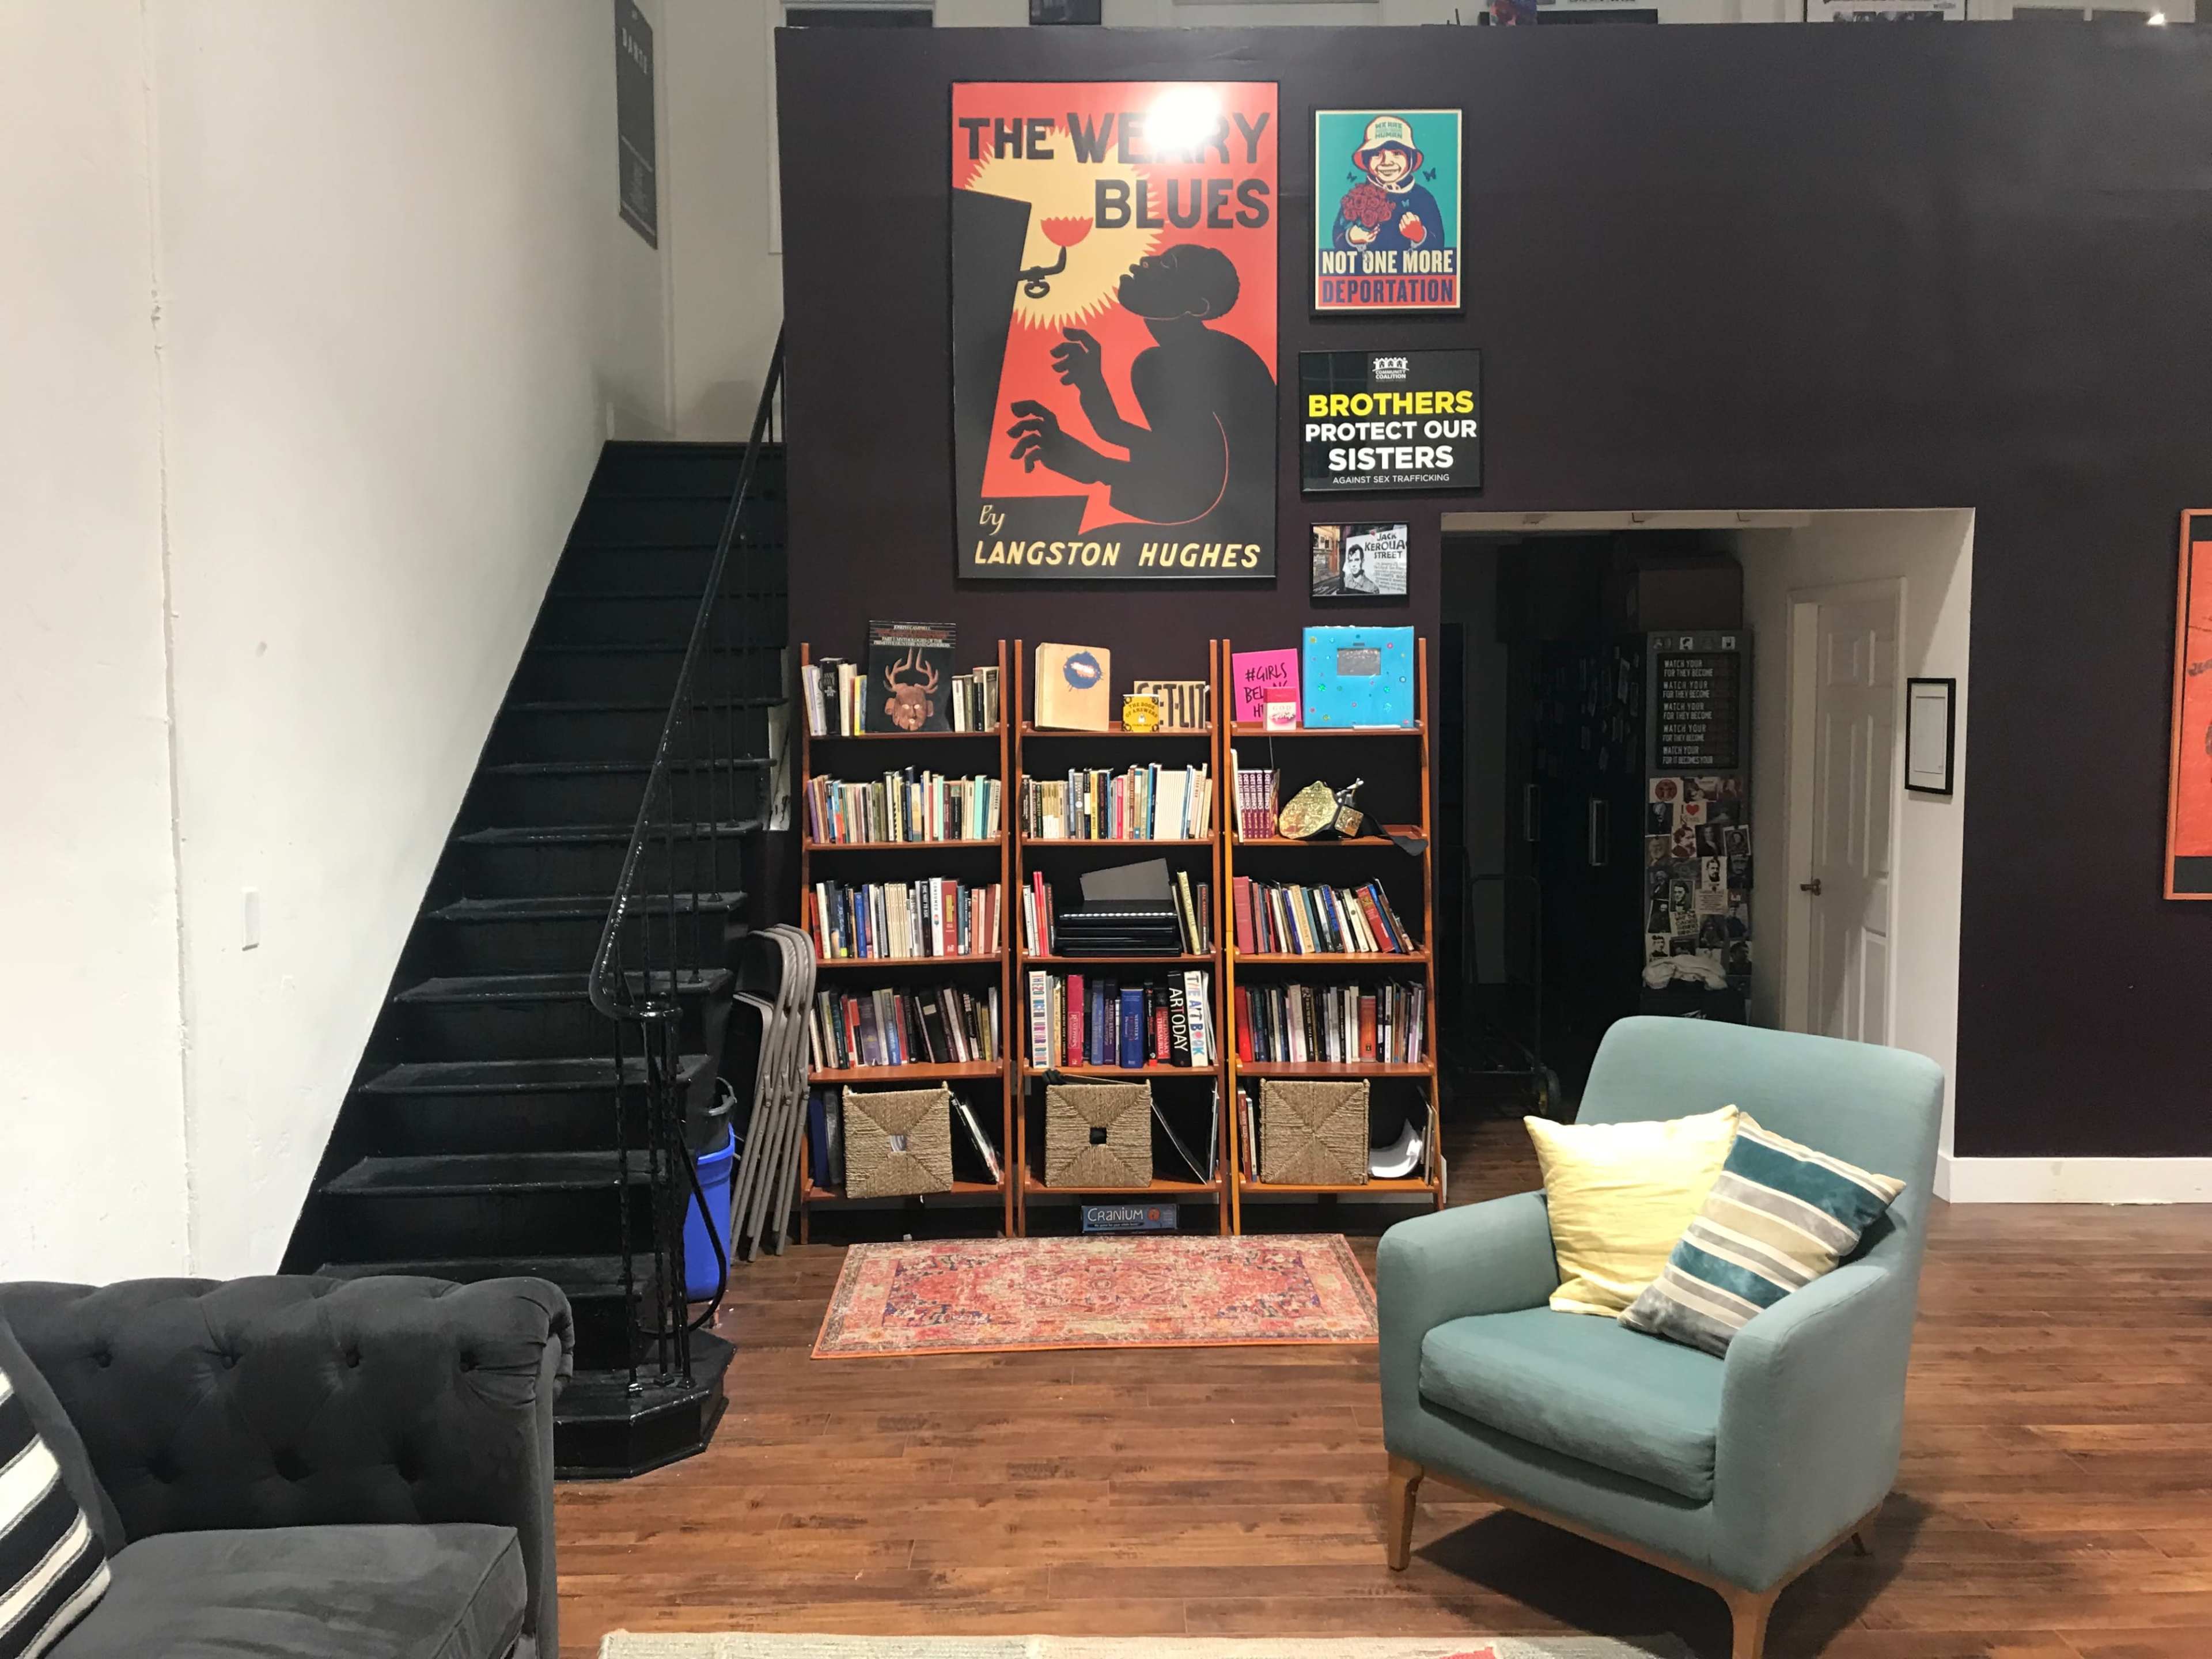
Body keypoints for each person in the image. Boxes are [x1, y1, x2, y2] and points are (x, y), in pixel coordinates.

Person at [1003, 244, 1273, 535]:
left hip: (1223, 526)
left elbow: (1194, 479)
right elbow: (1166, 449)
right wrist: (1091, 385)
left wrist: (1097, 468)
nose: (1146, 261)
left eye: (1167, 264)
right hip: (1220, 521)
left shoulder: (1172, 363)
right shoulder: (1183, 354)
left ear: (1196, 307)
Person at [1330, 116, 1449, 256]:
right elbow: (1337, 235)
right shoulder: (1357, 196)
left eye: (1397, 153)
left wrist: (1420, 235)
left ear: (1411, 159)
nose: (1387, 162)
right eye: (1377, 154)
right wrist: (1351, 237)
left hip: (1410, 274)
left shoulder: (1423, 197)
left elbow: (1439, 243)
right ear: (1367, 160)